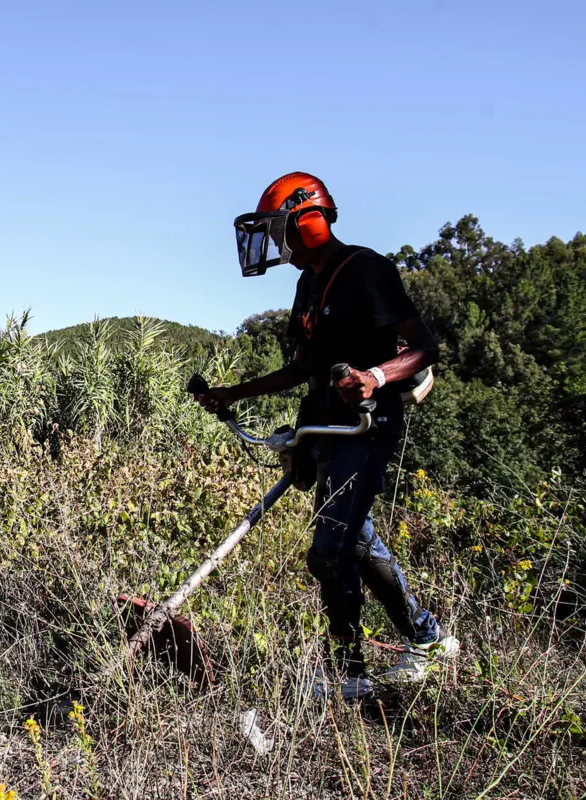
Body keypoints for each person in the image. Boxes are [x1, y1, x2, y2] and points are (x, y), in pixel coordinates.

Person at [193, 172, 459, 700]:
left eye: (278, 230)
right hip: (326, 426)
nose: (274, 243)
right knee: (354, 540)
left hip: (367, 424)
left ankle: (350, 674)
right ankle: (427, 637)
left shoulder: (366, 270)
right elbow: (303, 367)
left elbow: (425, 348)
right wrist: (233, 394)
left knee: (328, 553)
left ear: (308, 220)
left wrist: (376, 376)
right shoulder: (307, 284)